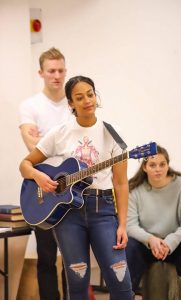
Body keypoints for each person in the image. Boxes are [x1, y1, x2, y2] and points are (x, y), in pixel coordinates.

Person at [19, 75, 133, 300]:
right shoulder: (59, 133)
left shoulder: (113, 133)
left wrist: (122, 224)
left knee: (121, 282)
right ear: (70, 103)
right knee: (77, 283)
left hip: (104, 210)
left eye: (90, 94)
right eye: (79, 97)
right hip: (68, 216)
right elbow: (25, 165)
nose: (87, 100)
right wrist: (38, 177)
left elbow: (120, 183)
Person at [19, 47, 72, 300]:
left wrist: (47, 141)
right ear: (41, 72)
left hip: (72, 186)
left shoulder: (74, 104)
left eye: (61, 70)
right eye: (51, 70)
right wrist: (61, 144)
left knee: (73, 257)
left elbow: (82, 146)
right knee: (47, 256)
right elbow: (33, 148)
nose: (57, 75)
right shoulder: (30, 106)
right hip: (42, 187)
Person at [126, 145, 181, 300]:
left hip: (175, 246)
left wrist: (169, 242)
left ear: (168, 165)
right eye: (152, 165)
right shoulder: (134, 189)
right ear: (145, 167)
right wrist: (150, 240)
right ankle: (128, 293)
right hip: (147, 246)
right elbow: (130, 225)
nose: (158, 169)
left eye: (162, 164)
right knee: (129, 246)